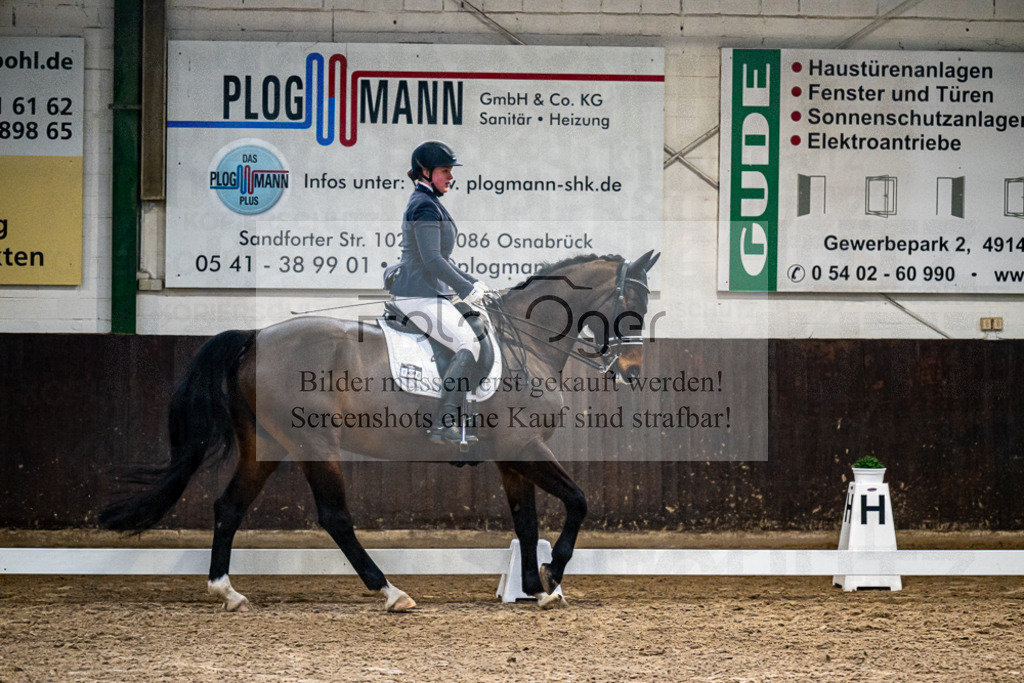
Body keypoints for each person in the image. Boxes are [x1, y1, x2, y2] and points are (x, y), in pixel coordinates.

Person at [387, 140, 492, 445]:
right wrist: (464, 288)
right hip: (419, 295)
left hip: (429, 292)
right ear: (425, 171)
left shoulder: (430, 202)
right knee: (469, 343)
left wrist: (474, 284)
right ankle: (444, 424)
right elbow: (432, 260)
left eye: (450, 171)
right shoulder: (423, 205)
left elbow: (441, 260)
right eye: (445, 171)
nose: (450, 176)